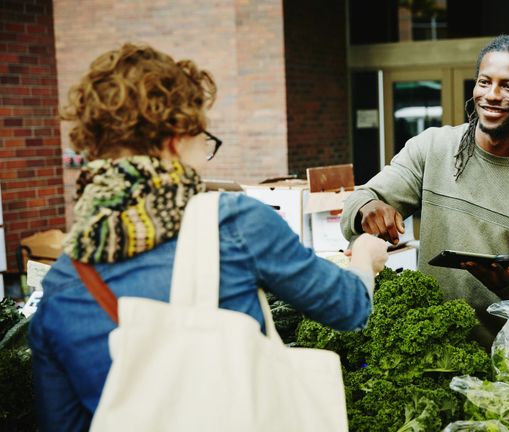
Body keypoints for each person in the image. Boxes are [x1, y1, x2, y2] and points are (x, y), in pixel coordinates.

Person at [28, 43, 389, 431]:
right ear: (174, 139)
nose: (205, 154)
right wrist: (364, 257)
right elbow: (349, 309)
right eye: (203, 138)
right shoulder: (232, 224)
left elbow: (62, 423)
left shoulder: (63, 280)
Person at [341, 35, 509, 347]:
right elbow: (359, 201)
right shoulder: (432, 148)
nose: (492, 95)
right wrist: (367, 208)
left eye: (508, 86)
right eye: (484, 82)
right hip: (429, 349)